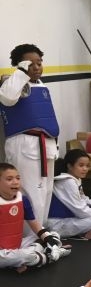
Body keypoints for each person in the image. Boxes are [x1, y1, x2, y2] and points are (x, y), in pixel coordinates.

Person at [0, 44, 60, 225]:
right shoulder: (11, 83)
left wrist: (55, 144)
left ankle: (42, 232)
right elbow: (8, 99)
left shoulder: (41, 85)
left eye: (39, 63)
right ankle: (30, 236)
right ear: (20, 65)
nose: (36, 67)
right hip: (25, 144)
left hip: (47, 144)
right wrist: (21, 72)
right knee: (31, 193)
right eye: (30, 64)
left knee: (46, 192)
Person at [0, 162, 70, 272]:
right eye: (9, 179)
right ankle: (47, 256)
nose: (15, 182)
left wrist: (48, 238)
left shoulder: (23, 200)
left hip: (19, 245)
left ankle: (31, 258)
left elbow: (34, 224)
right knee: (17, 257)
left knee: (51, 235)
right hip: (3, 252)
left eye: (18, 178)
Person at [47, 149, 91, 240]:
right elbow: (81, 211)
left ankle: (84, 233)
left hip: (70, 218)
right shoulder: (67, 182)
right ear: (70, 166)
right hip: (57, 224)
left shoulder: (75, 179)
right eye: (81, 165)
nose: (85, 169)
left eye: (87, 166)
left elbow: (84, 199)